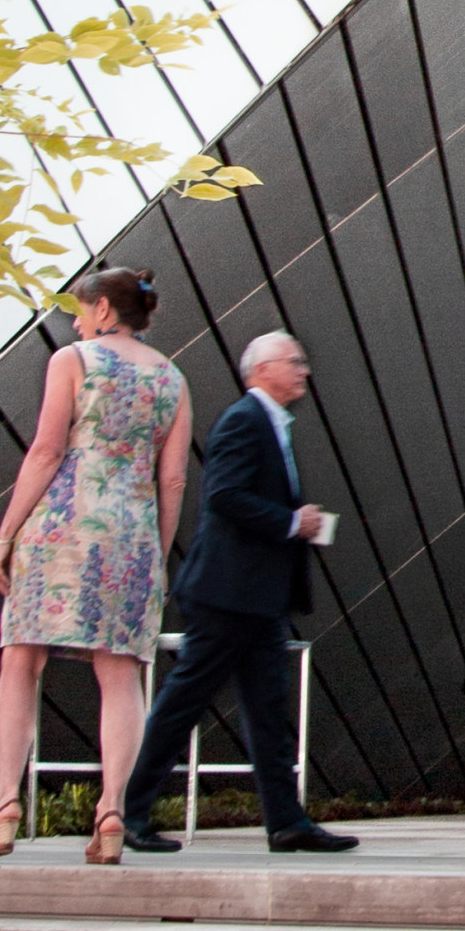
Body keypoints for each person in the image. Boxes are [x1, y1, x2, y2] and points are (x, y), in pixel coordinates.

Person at [0, 268, 189, 868]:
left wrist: (3, 536)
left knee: (22, 660)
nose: (74, 320)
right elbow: (173, 478)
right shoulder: (171, 378)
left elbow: (46, 451)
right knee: (121, 675)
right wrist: (155, 558)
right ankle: (112, 812)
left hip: (61, 526)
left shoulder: (73, 360)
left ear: (106, 312)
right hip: (133, 537)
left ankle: (4, 807)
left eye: (80, 309)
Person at [122, 332, 355, 858]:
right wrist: (292, 521)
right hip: (227, 595)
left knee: (267, 713)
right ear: (263, 368)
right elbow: (224, 496)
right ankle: (129, 815)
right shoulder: (243, 421)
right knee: (183, 703)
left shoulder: (272, 426)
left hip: (256, 598)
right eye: (295, 362)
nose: (304, 371)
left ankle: (286, 822)